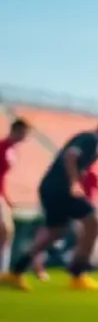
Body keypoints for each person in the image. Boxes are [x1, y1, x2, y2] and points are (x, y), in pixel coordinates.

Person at [2, 111, 98, 292]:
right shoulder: (90, 139)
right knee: (93, 221)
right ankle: (78, 274)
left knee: (56, 232)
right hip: (60, 188)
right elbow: (70, 156)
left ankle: (15, 272)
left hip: (51, 187)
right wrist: (75, 183)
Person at [0, 118, 30, 277]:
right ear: (17, 130)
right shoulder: (2, 147)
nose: (25, 137)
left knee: (6, 230)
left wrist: (6, 197)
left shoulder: (10, 150)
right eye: (24, 133)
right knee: (5, 229)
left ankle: (3, 270)